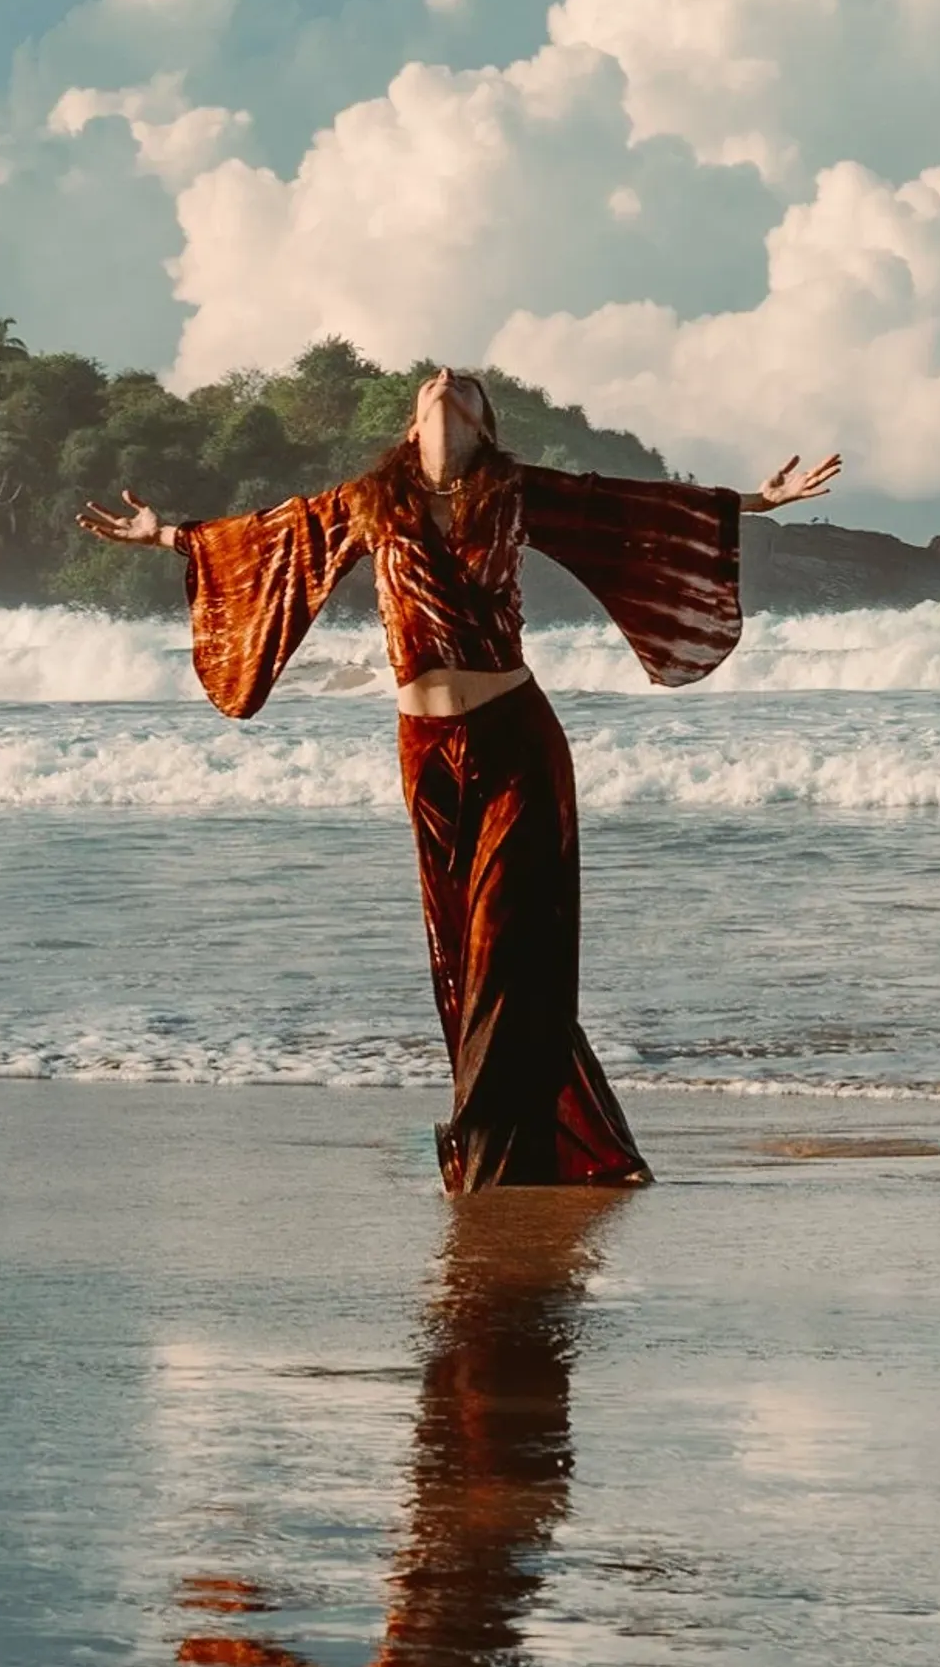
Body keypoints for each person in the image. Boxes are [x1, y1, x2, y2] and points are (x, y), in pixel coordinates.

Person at [81, 371, 839, 1189]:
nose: (445, 383)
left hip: (517, 742)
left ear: (483, 427)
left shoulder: (514, 494)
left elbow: (627, 508)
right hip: (425, 752)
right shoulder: (369, 504)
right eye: (433, 383)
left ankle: (480, 1149)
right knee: (464, 961)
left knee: (504, 943)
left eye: (465, 387)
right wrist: (169, 538)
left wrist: (753, 504)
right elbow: (268, 538)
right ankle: (529, 1143)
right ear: (412, 427)